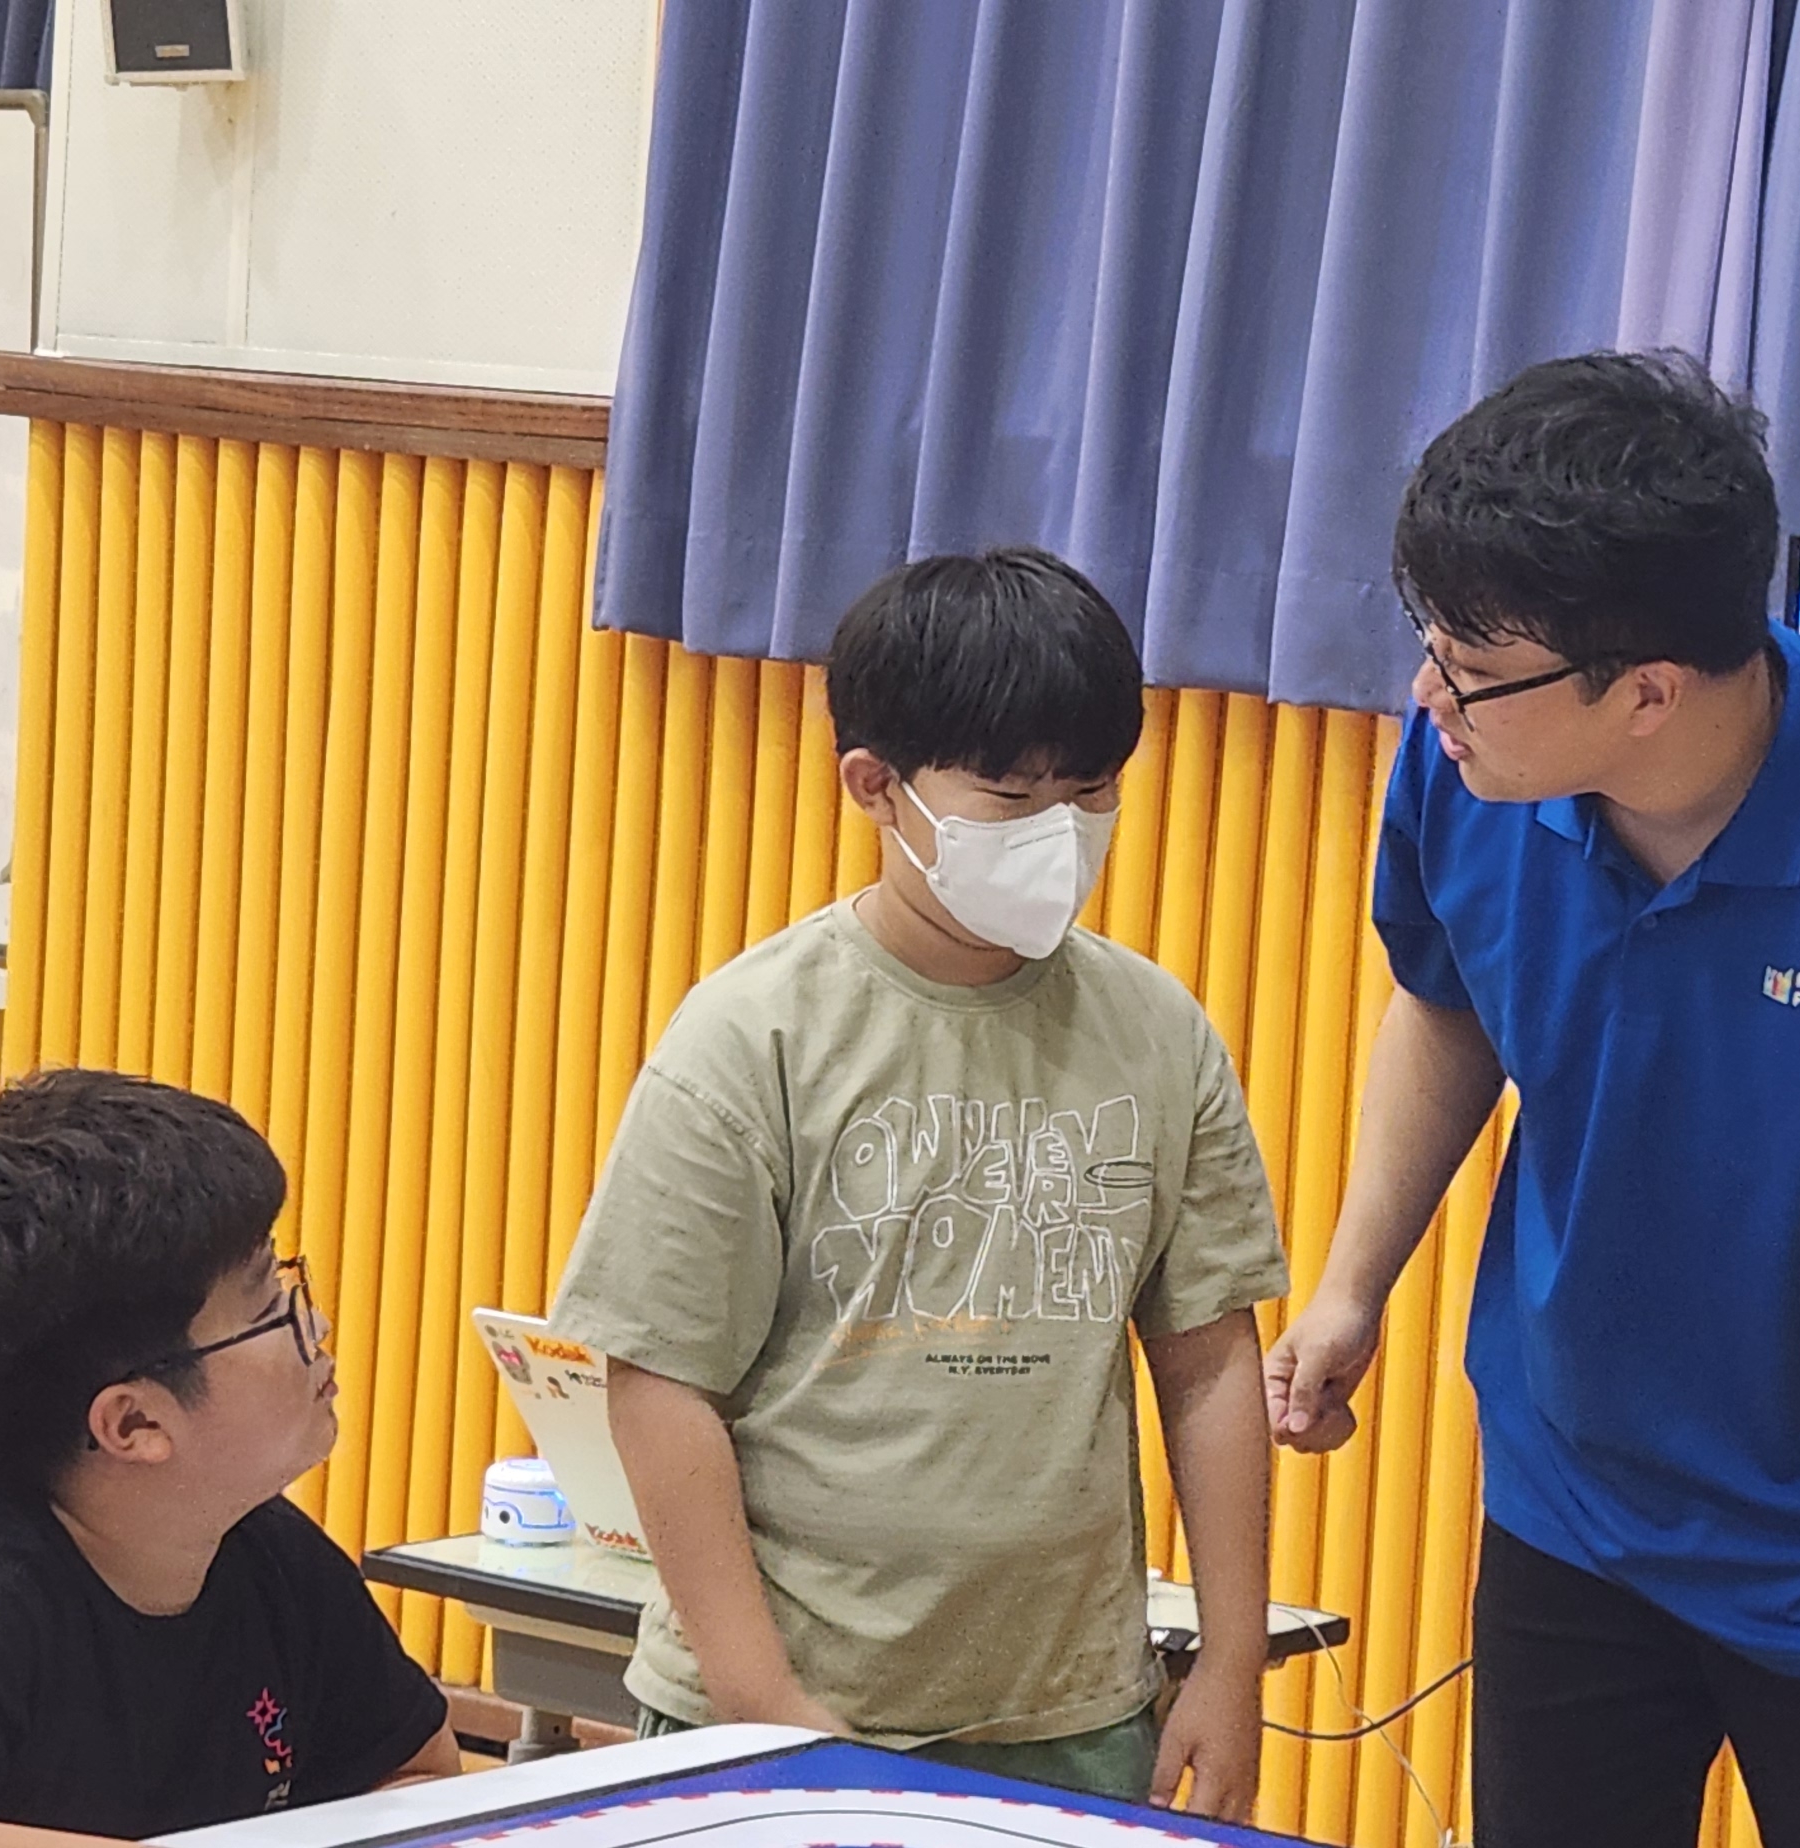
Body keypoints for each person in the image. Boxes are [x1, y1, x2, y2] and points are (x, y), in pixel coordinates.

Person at [1261, 352, 1800, 1846]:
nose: (1426, 693)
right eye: (1430, 645)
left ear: (1649, 691)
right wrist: (1351, 1287)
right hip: (1574, 1514)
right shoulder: (1470, 765)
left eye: (1468, 664)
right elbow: (1450, 998)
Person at [548, 547, 1291, 1815]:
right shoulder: (752, 1038)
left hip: (1070, 1715)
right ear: (875, 786)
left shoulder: (1159, 1033)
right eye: (1009, 797)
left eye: (1092, 792)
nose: (1060, 833)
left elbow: (1210, 1358)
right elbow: (661, 1383)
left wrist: (1230, 1664)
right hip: (778, 1709)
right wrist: (759, 1698)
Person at [0, 1069, 459, 1834]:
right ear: (132, 1424)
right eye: (269, 1306)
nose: (317, 1326)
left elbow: (417, 1773)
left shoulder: (266, 1554)